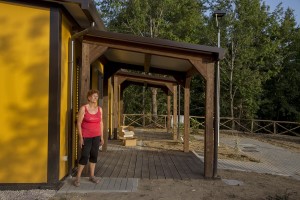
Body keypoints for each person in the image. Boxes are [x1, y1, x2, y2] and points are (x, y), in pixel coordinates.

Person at [74, 89, 104, 187]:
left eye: (97, 96)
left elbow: (101, 123)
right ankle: (77, 177)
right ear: (89, 98)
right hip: (86, 136)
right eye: (94, 96)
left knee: (94, 155)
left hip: (96, 136)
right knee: (84, 156)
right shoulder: (84, 108)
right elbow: (78, 123)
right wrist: (80, 138)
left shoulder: (99, 109)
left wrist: (102, 137)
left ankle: (92, 176)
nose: (96, 98)